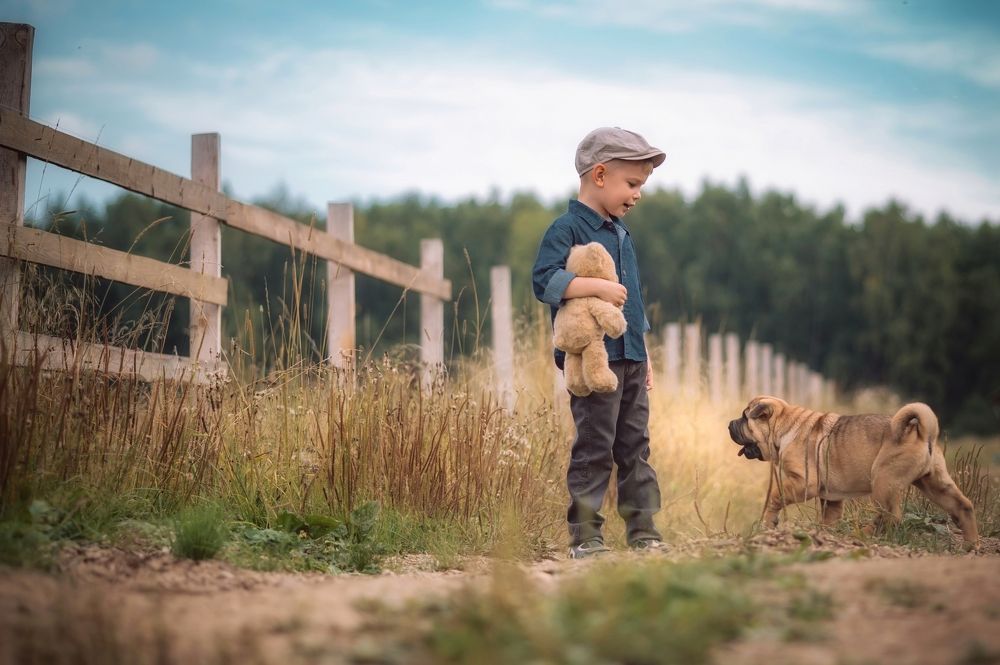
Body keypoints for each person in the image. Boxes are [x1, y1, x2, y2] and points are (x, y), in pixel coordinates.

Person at [532, 126, 668, 559]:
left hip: (629, 357)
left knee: (635, 447)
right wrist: (594, 286)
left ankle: (644, 532)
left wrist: (644, 352)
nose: (638, 195)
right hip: (592, 363)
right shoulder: (566, 228)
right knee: (595, 447)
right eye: (633, 184)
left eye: (641, 186)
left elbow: (634, 301)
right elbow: (544, 280)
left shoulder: (623, 234)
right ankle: (586, 537)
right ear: (600, 175)